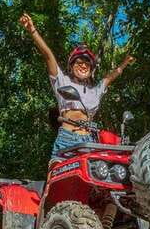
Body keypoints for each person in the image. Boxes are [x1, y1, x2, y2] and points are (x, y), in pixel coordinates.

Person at [19, 13, 136, 160]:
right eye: (79, 63)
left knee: (95, 177)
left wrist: (124, 63)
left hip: (89, 140)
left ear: (91, 68)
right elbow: (48, 55)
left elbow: (110, 77)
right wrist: (32, 30)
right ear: (71, 66)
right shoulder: (62, 81)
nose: (83, 66)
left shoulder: (95, 90)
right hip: (67, 138)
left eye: (87, 63)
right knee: (56, 174)